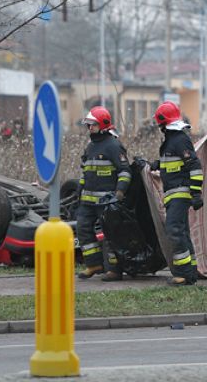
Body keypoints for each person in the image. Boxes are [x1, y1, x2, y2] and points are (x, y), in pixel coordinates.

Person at [148, 101, 203, 285]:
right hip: (174, 193)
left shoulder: (179, 139)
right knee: (182, 232)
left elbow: (194, 165)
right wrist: (155, 165)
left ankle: (183, 274)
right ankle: (191, 271)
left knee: (174, 230)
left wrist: (196, 193)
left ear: (164, 123)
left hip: (180, 193)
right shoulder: (172, 141)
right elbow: (173, 164)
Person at [77, 106, 132, 282]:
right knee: (83, 229)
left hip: (107, 201)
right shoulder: (91, 146)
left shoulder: (114, 146)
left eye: (92, 125)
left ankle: (114, 270)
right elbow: (86, 172)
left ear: (103, 125)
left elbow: (125, 171)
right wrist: (79, 190)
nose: (90, 128)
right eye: (88, 125)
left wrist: (120, 192)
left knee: (110, 235)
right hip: (87, 201)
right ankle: (93, 264)